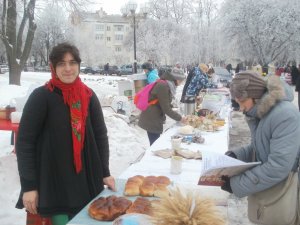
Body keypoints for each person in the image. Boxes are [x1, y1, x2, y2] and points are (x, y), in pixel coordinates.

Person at [15, 43, 116, 224]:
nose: (68, 68)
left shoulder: (88, 95)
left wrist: (105, 172)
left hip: (87, 183)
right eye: (61, 64)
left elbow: (100, 136)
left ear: (78, 65)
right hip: (56, 187)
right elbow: (25, 143)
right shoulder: (42, 97)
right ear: (52, 67)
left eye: (72, 62)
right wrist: (29, 186)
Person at [221, 72, 300, 206]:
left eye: (242, 101)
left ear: (255, 97)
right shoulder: (262, 113)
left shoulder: (285, 115)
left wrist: (236, 184)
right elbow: (260, 147)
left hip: (281, 194)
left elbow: (278, 166)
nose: (240, 108)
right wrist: (236, 155)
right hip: (269, 190)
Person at [138, 68, 186, 145]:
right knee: (154, 144)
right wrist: (180, 118)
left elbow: (163, 101)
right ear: (177, 79)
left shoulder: (167, 84)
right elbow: (166, 108)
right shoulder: (163, 86)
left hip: (154, 116)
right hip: (151, 118)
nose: (181, 83)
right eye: (181, 80)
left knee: (155, 142)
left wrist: (172, 108)